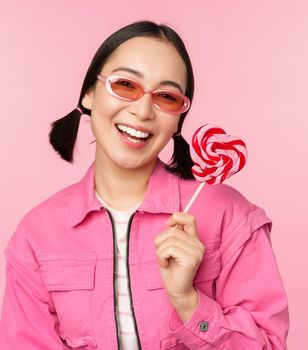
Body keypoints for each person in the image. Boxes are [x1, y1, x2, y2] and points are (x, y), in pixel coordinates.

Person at [0, 21, 289, 349]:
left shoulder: (229, 215)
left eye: (166, 96)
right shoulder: (37, 234)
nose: (141, 110)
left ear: (178, 117)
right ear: (90, 94)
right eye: (125, 84)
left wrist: (189, 302)